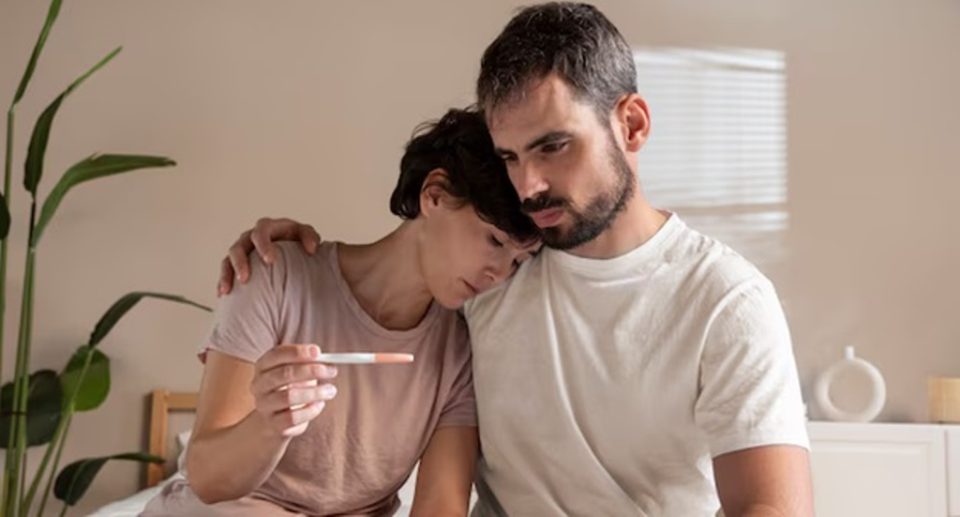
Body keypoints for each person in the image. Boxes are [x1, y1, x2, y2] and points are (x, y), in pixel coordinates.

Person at [219, 3, 814, 516]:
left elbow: (771, 506)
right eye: (510, 157)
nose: (528, 187)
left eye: (554, 146)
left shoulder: (725, 300)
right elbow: (388, 272)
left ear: (631, 125)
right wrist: (287, 257)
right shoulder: (497, 267)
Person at [143, 108, 539, 517]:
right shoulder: (277, 275)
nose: (499, 273)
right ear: (434, 195)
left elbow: (440, 507)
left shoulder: (458, 352)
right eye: (495, 241)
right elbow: (207, 478)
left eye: (517, 261)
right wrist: (271, 424)